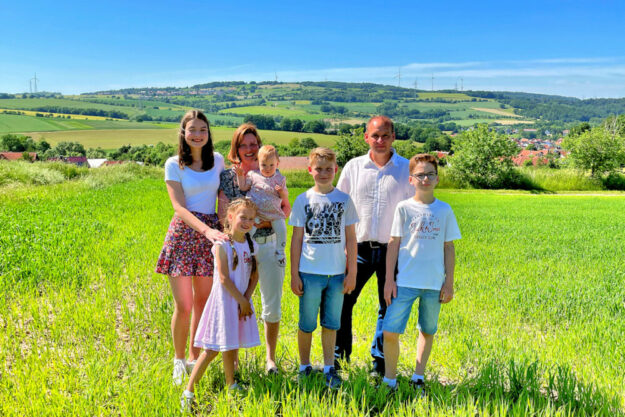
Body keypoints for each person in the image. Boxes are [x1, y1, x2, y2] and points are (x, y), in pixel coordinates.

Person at [334, 115, 413, 375]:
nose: (380, 140)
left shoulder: (406, 169)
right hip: (357, 249)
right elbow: (339, 208)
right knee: (344, 301)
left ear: (393, 137)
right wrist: (343, 248)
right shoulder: (353, 167)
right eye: (375, 135)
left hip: (394, 251)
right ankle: (339, 359)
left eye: (385, 135)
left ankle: (379, 364)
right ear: (366, 137)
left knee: (388, 305)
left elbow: (414, 212)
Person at [155, 110, 227, 386]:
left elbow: (225, 194)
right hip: (185, 234)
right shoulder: (174, 164)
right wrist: (207, 230)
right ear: (183, 133)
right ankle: (178, 360)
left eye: (202, 130)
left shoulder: (217, 161)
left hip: (211, 236)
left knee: (203, 302)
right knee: (183, 305)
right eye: (192, 130)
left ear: (208, 134)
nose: (197, 134)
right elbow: (179, 207)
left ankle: (195, 357)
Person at [381, 153, 461, 395]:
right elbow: (393, 243)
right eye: (420, 175)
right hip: (404, 281)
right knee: (390, 331)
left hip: (433, 283)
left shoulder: (444, 210)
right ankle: (390, 380)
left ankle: (418, 376)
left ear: (437, 179)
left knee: (427, 330)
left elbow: (449, 247)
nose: (425, 179)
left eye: (430, 174)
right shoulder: (404, 208)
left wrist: (449, 282)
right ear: (411, 179)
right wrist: (388, 280)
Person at [218, 123, 286, 374]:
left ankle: (270, 359)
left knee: (272, 303)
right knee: (236, 301)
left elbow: (282, 209)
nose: (249, 149)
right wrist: (249, 224)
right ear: (235, 148)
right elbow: (222, 215)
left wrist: (267, 220)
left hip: (269, 244)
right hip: (238, 249)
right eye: (243, 145)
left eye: (253, 144)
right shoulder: (227, 177)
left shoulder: (270, 171)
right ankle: (233, 363)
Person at [181, 198, 261, 411]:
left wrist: (247, 299)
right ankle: (188, 392)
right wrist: (241, 300)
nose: (247, 222)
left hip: (240, 301)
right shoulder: (222, 245)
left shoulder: (250, 244)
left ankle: (231, 384)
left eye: (251, 219)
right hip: (225, 303)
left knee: (231, 344)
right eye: (243, 217)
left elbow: (255, 275)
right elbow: (224, 279)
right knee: (211, 349)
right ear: (231, 217)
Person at [290, 147, 358, 388]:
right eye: (319, 169)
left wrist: (352, 272)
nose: (324, 173)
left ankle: (329, 368)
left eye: (329, 169)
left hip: (337, 274)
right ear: (310, 170)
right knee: (307, 323)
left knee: (331, 324)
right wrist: (294, 274)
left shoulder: (344, 200)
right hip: (309, 274)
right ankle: (304, 366)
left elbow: (351, 238)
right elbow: (296, 239)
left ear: (336, 170)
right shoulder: (303, 200)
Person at [234, 144, 290, 266]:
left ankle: (280, 252)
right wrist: (240, 175)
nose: (268, 168)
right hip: (256, 213)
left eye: (271, 165)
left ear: (277, 164)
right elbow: (243, 187)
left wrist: (282, 191)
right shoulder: (253, 175)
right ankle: (250, 251)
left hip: (274, 214)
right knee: (250, 231)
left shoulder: (280, 178)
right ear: (258, 163)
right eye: (263, 165)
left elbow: (285, 197)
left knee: (281, 230)